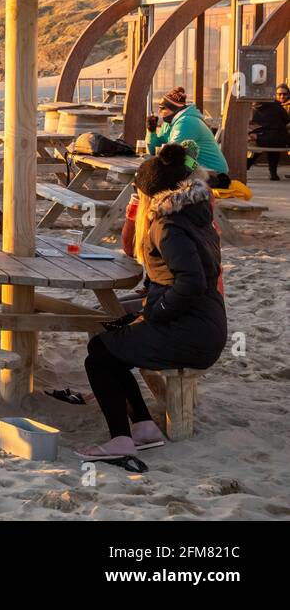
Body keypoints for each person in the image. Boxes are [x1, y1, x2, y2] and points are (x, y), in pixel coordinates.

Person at [76, 142, 225, 460]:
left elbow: (190, 283)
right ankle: (143, 427)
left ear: (149, 194)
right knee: (109, 344)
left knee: (99, 355)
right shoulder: (196, 216)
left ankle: (121, 440)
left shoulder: (166, 225)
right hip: (206, 325)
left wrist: (154, 312)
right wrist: (143, 308)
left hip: (189, 332)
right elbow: (178, 281)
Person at [145, 86, 229, 187]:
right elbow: (155, 151)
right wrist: (151, 132)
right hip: (196, 171)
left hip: (214, 174)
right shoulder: (170, 123)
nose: (159, 112)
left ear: (174, 108)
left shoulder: (186, 122)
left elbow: (170, 156)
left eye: (162, 108)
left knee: (159, 181)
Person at [248, 84, 290, 180]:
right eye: (279, 94)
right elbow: (287, 120)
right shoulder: (278, 107)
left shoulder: (256, 108)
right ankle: (272, 173)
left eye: (284, 94)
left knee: (260, 144)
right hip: (279, 139)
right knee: (270, 142)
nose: (282, 96)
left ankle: (247, 165)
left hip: (267, 138)